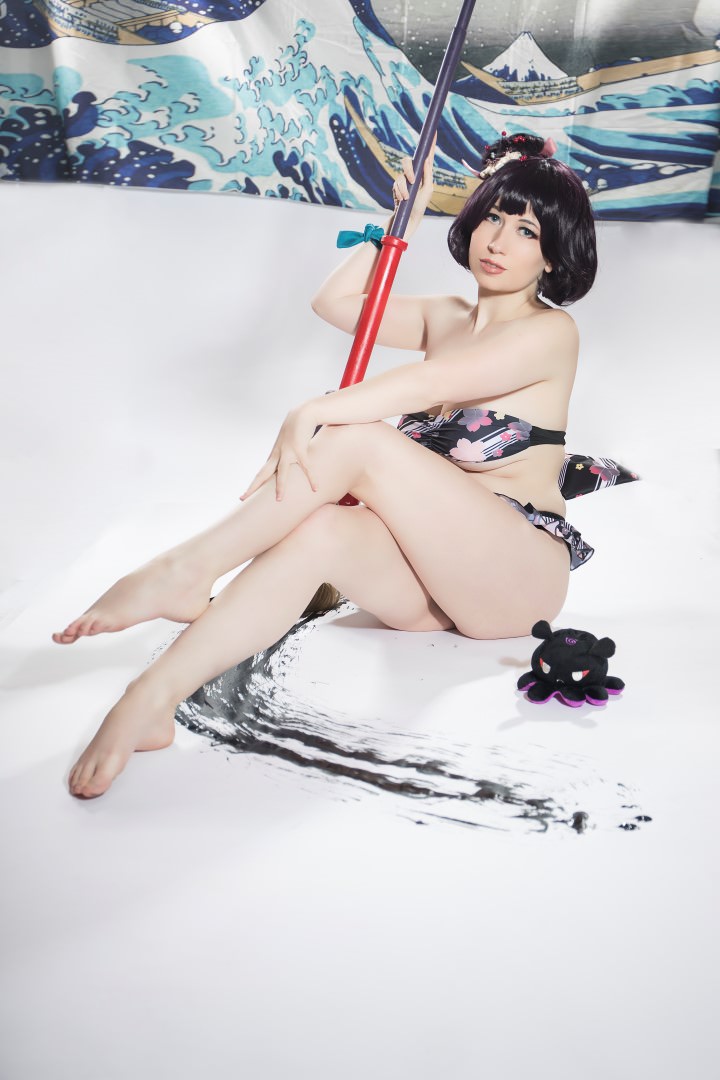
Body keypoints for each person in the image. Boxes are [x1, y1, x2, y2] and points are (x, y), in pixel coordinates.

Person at [52, 131, 598, 799]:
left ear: (552, 256)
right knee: (321, 531)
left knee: (359, 437)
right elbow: (335, 305)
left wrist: (314, 410)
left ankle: (184, 570)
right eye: (493, 217)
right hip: (434, 587)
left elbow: (430, 385)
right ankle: (151, 698)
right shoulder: (446, 317)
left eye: (526, 231)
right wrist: (399, 221)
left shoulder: (550, 332)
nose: (498, 240)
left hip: (514, 576)